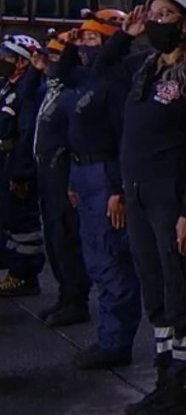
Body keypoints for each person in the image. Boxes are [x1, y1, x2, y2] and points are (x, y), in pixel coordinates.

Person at [93, 0, 186, 415]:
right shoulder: (145, 69)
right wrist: (125, 34)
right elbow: (100, 71)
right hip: (140, 198)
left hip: (173, 202)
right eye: (151, 12)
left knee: (182, 291)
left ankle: (185, 387)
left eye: (164, 15)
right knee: (157, 292)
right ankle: (164, 381)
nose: (155, 21)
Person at [50, 8, 143, 370]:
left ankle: (116, 342)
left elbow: (125, 137)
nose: (87, 46)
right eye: (84, 39)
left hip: (106, 173)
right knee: (95, 258)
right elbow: (60, 72)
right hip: (82, 170)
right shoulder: (85, 78)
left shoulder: (117, 79)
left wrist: (120, 189)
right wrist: (72, 43)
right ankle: (108, 335)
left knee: (112, 261)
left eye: (93, 38)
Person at [31, 30, 92, 324]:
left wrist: (72, 182)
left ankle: (75, 299)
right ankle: (64, 296)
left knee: (68, 240)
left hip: (64, 175)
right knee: (54, 238)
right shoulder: (51, 87)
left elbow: (77, 138)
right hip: (47, 175)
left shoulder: (72, 92)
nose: (49, 62)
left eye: (55, 57)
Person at [0, 34, 45, 296]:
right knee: (8, 218)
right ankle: (14, 267)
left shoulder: (31, 91)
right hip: (5, 160)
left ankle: (24, 276)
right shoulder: (8, 86)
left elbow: (27, 134)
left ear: (21, 61)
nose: (2, 60)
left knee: (22, 222)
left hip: (17, 162)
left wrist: (21, 173)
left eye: (7, 56)